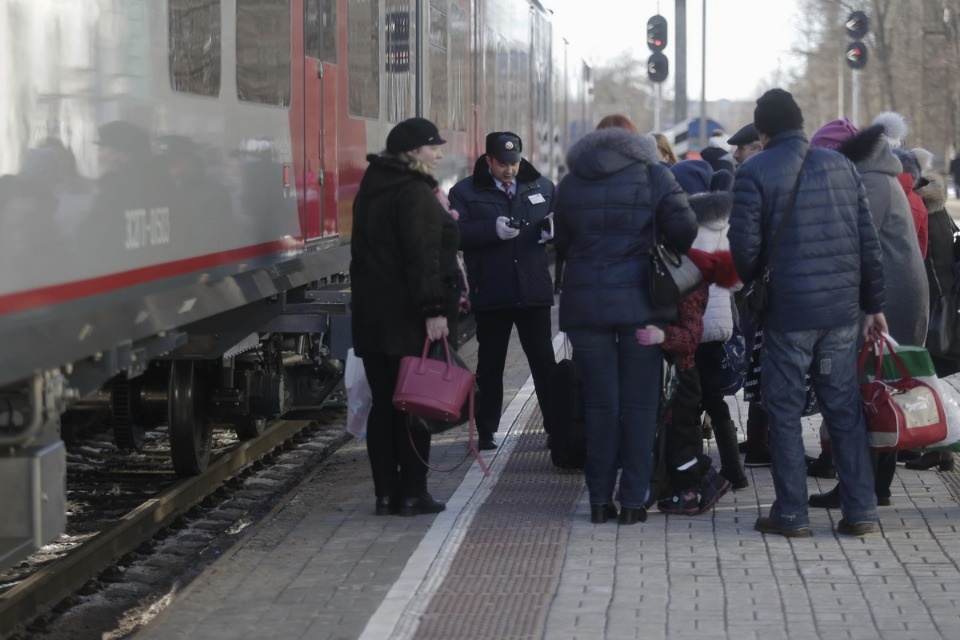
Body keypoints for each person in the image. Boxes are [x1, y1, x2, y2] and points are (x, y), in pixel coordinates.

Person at [728, 88, 887, 537]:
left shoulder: (754, 170)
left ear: (762, 131)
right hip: (840, 314)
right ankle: (860, 511)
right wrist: (873, 306)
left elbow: (744, 250)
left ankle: (792, 514)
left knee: (781, 411)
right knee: (844, 409)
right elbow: (866, 243)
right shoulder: (842, 166)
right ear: (800, 123)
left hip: (786, 315)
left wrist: (762, 277)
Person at [553, 114, 697, 525]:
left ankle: (599, 501)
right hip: (642, 308)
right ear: (634, 142)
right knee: (639, 407)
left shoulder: (572, 181)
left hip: (586, 309)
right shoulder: (655, 176)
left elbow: (561, 242)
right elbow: (685, 231)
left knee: (600, 406)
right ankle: (633, 502)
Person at [806, 112, 930, 510]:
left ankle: (863, 486)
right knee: (881, 388)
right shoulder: (878, 176)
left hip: (887, 300)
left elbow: (856, 241)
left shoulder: (872, 181)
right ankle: (875, 486)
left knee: (870, 391)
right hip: (890, 295)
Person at [350, 117, 461, 517]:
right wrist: (434, 311)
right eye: (433, 146)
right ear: (414, 151)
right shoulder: (414, 193)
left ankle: (385, 494)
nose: (440, 153)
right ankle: (413, 493)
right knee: (416, 403)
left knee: (384, 406)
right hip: (408, 318)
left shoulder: (371, 188)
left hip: (372, 316)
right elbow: (422, 259)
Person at [450, 131, 557, 451]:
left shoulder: (543, 186)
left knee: (544, 363)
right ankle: (485, 430)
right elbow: (453, 234)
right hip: (491, 291)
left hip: (533, 290)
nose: (510, 170)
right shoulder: (465, 192)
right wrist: (490, 230)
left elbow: (564, 221)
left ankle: (557, 426)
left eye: (515, 162)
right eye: (503, 164)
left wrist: (553, 231)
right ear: (488, 161)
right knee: (490, 364)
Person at [638, 243, 741, 515]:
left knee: (680, 442)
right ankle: (696, 483)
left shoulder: (689, 284)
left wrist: (662, 337)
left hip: (681, 374)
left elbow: (690, 336)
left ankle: (693, 490)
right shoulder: (684, 274)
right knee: (676, 436)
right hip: (675, 372)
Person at [671, 159, 749, 491]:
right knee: (715, 397)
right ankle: (734, 469)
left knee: (687, 398)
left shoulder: (686, 227)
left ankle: (695, 467)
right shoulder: (728, 224)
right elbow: (736, 283)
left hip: (691, 324)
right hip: (721, 325)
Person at [905, 158, 957, 471]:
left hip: (935, 310)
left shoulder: (920, 209)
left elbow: (927, 263)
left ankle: (937, 446)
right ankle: (940, 448)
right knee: (934, 381)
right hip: (943, 306)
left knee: (928, 381)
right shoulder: (939, 210)